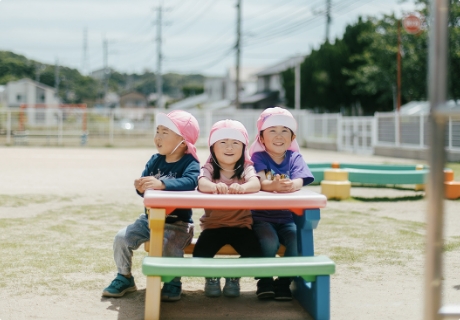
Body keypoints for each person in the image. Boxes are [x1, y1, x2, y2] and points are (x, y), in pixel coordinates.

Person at [102, 110, 200, 302]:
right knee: (122, 238)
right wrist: (140, 187)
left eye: (165, 132)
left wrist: (162, 184)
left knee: (170, 246)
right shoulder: (155, 160)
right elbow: (145, 188)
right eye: (157, 131)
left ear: (183, 140)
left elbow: (191, 181)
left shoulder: (190, 163)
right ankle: (125, 277)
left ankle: (172, 282)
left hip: (178, 223)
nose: (158, 137)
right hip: (149, 219)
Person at [249, 106, 314, 301]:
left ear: (292, 137)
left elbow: (301, 179)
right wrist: (273, 185)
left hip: (287, 217)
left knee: (296, 240)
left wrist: (291, 184)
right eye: (272, 131)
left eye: (285, 130)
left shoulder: (295, 158)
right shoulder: (258, 157)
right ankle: (265, 280)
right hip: (262, 217)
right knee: (269, 241)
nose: (279, 136)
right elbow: (260, 181)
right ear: (261, 138)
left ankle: (284, 282)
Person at [193, 119, 262, 298]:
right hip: (213, 227)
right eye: (223, 142)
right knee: (199, 254)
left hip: (241, 227)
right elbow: (201, 183)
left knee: (256, 254)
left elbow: (255, 183)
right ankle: (211, 276)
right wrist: (214, 187)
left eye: (235, 143)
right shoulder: (209, 167)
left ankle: (234, 276)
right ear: (213, 148)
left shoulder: (246, 168)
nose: (229, 148)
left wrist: (243, 188)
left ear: (243, 148)